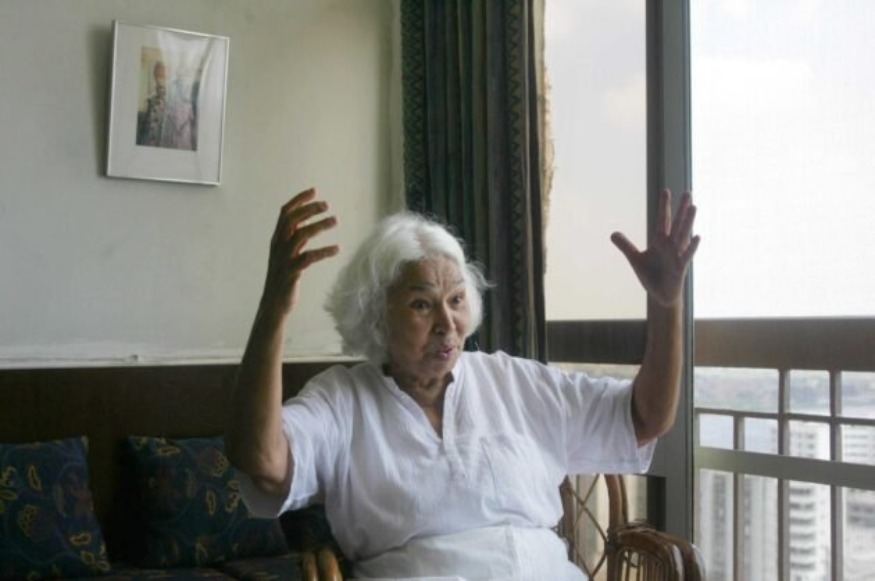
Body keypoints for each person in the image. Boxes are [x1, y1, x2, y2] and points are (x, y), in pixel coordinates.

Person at [225, 187, 700, 580]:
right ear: (375, 315)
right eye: (421, 304)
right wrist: (274, 309)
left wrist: (666, 306)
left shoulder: (513, 380)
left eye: (456, 300)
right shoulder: (343, 401)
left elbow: (645, 420)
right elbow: (262, 460)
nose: (447, 323)